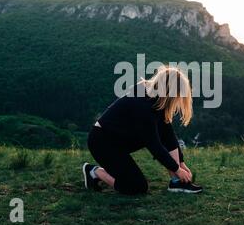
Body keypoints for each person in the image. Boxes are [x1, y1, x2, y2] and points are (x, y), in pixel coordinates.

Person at [82, 65, 203, 195]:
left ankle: (175, 182)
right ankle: (94, 172)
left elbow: (168, 135)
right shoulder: (142, 107)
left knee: (164, 128)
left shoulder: (155, 100)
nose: (178, 99)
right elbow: (155, 146)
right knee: (137, 187)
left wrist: (181, 164)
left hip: (120, 141)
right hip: (102, 142)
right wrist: (178, 170)